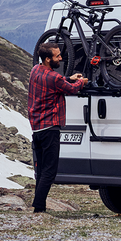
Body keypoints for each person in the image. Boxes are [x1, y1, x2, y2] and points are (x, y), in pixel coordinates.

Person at [28, 42, 88, 214]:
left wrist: (69, 78)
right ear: (48, 59)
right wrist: (81, 82)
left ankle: (39, 206)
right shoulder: (53, 78)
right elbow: (71, 90)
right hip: (50, 128)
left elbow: (60, 82)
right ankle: (39, 208)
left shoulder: (35, 70)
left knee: (41, 170)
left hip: (37, 128)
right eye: (57, 56)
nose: (61, 58)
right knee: (49, 171)